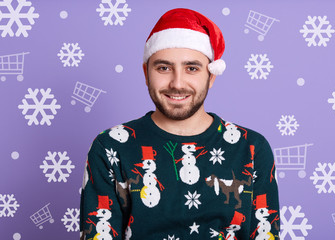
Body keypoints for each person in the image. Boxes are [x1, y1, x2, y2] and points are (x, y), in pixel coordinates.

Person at [80, 8, 279, 240]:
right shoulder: (110, 146)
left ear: (211, 76)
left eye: (191, 68)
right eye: (163, 68)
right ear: (146, 73)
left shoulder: (252, 148)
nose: (177, 83)